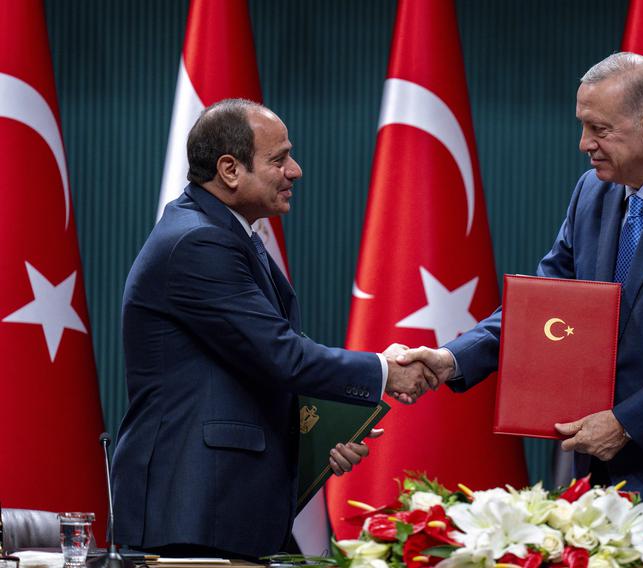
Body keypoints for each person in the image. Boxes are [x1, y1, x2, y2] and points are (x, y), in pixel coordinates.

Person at [397, 53, 643, 554]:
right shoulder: (592, 193)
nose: (584, 145)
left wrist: (626, 422)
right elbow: (543, 309)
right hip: (605, 481)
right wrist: (452, 359)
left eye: (598, 129)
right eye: (583, 127)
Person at [110, 99, 436, 559]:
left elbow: (252, 366)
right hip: (192, 512)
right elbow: (282, 356)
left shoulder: (229, 234)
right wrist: (385, 370)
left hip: (225, 509)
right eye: (279, 159)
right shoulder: (198, 241)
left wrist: (324, 433)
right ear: (229, 169)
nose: (295, 170)